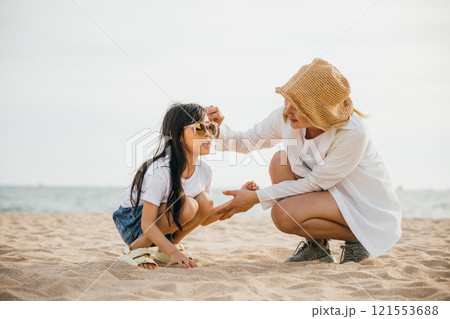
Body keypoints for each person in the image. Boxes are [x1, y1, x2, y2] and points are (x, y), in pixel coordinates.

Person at [207, 58, 402, 264]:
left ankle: (357, 240)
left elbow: (315, 183)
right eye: (287, 99)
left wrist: (255, 198)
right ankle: (317, 246)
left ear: (319, 112)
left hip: (360, 202)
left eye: (298, 105)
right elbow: (247, 142)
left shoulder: (353, 133)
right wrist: (215, 129)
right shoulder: (287, 116)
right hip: (324, 194)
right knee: (280, 161)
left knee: (283, 216)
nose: (287, 110)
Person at [113, 102, 258, 270]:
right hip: (133, 222)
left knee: (205, 200)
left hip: (161, 222)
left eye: (211, 128)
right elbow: (147, 223)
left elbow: (205, 217)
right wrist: (175, 253)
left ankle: (164, 250)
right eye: (199, 129)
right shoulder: (160, 170)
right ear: (177, 135)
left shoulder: (205, 171)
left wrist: (236, 203)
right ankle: (135, 249)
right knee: (188, 205)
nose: (208, 135)